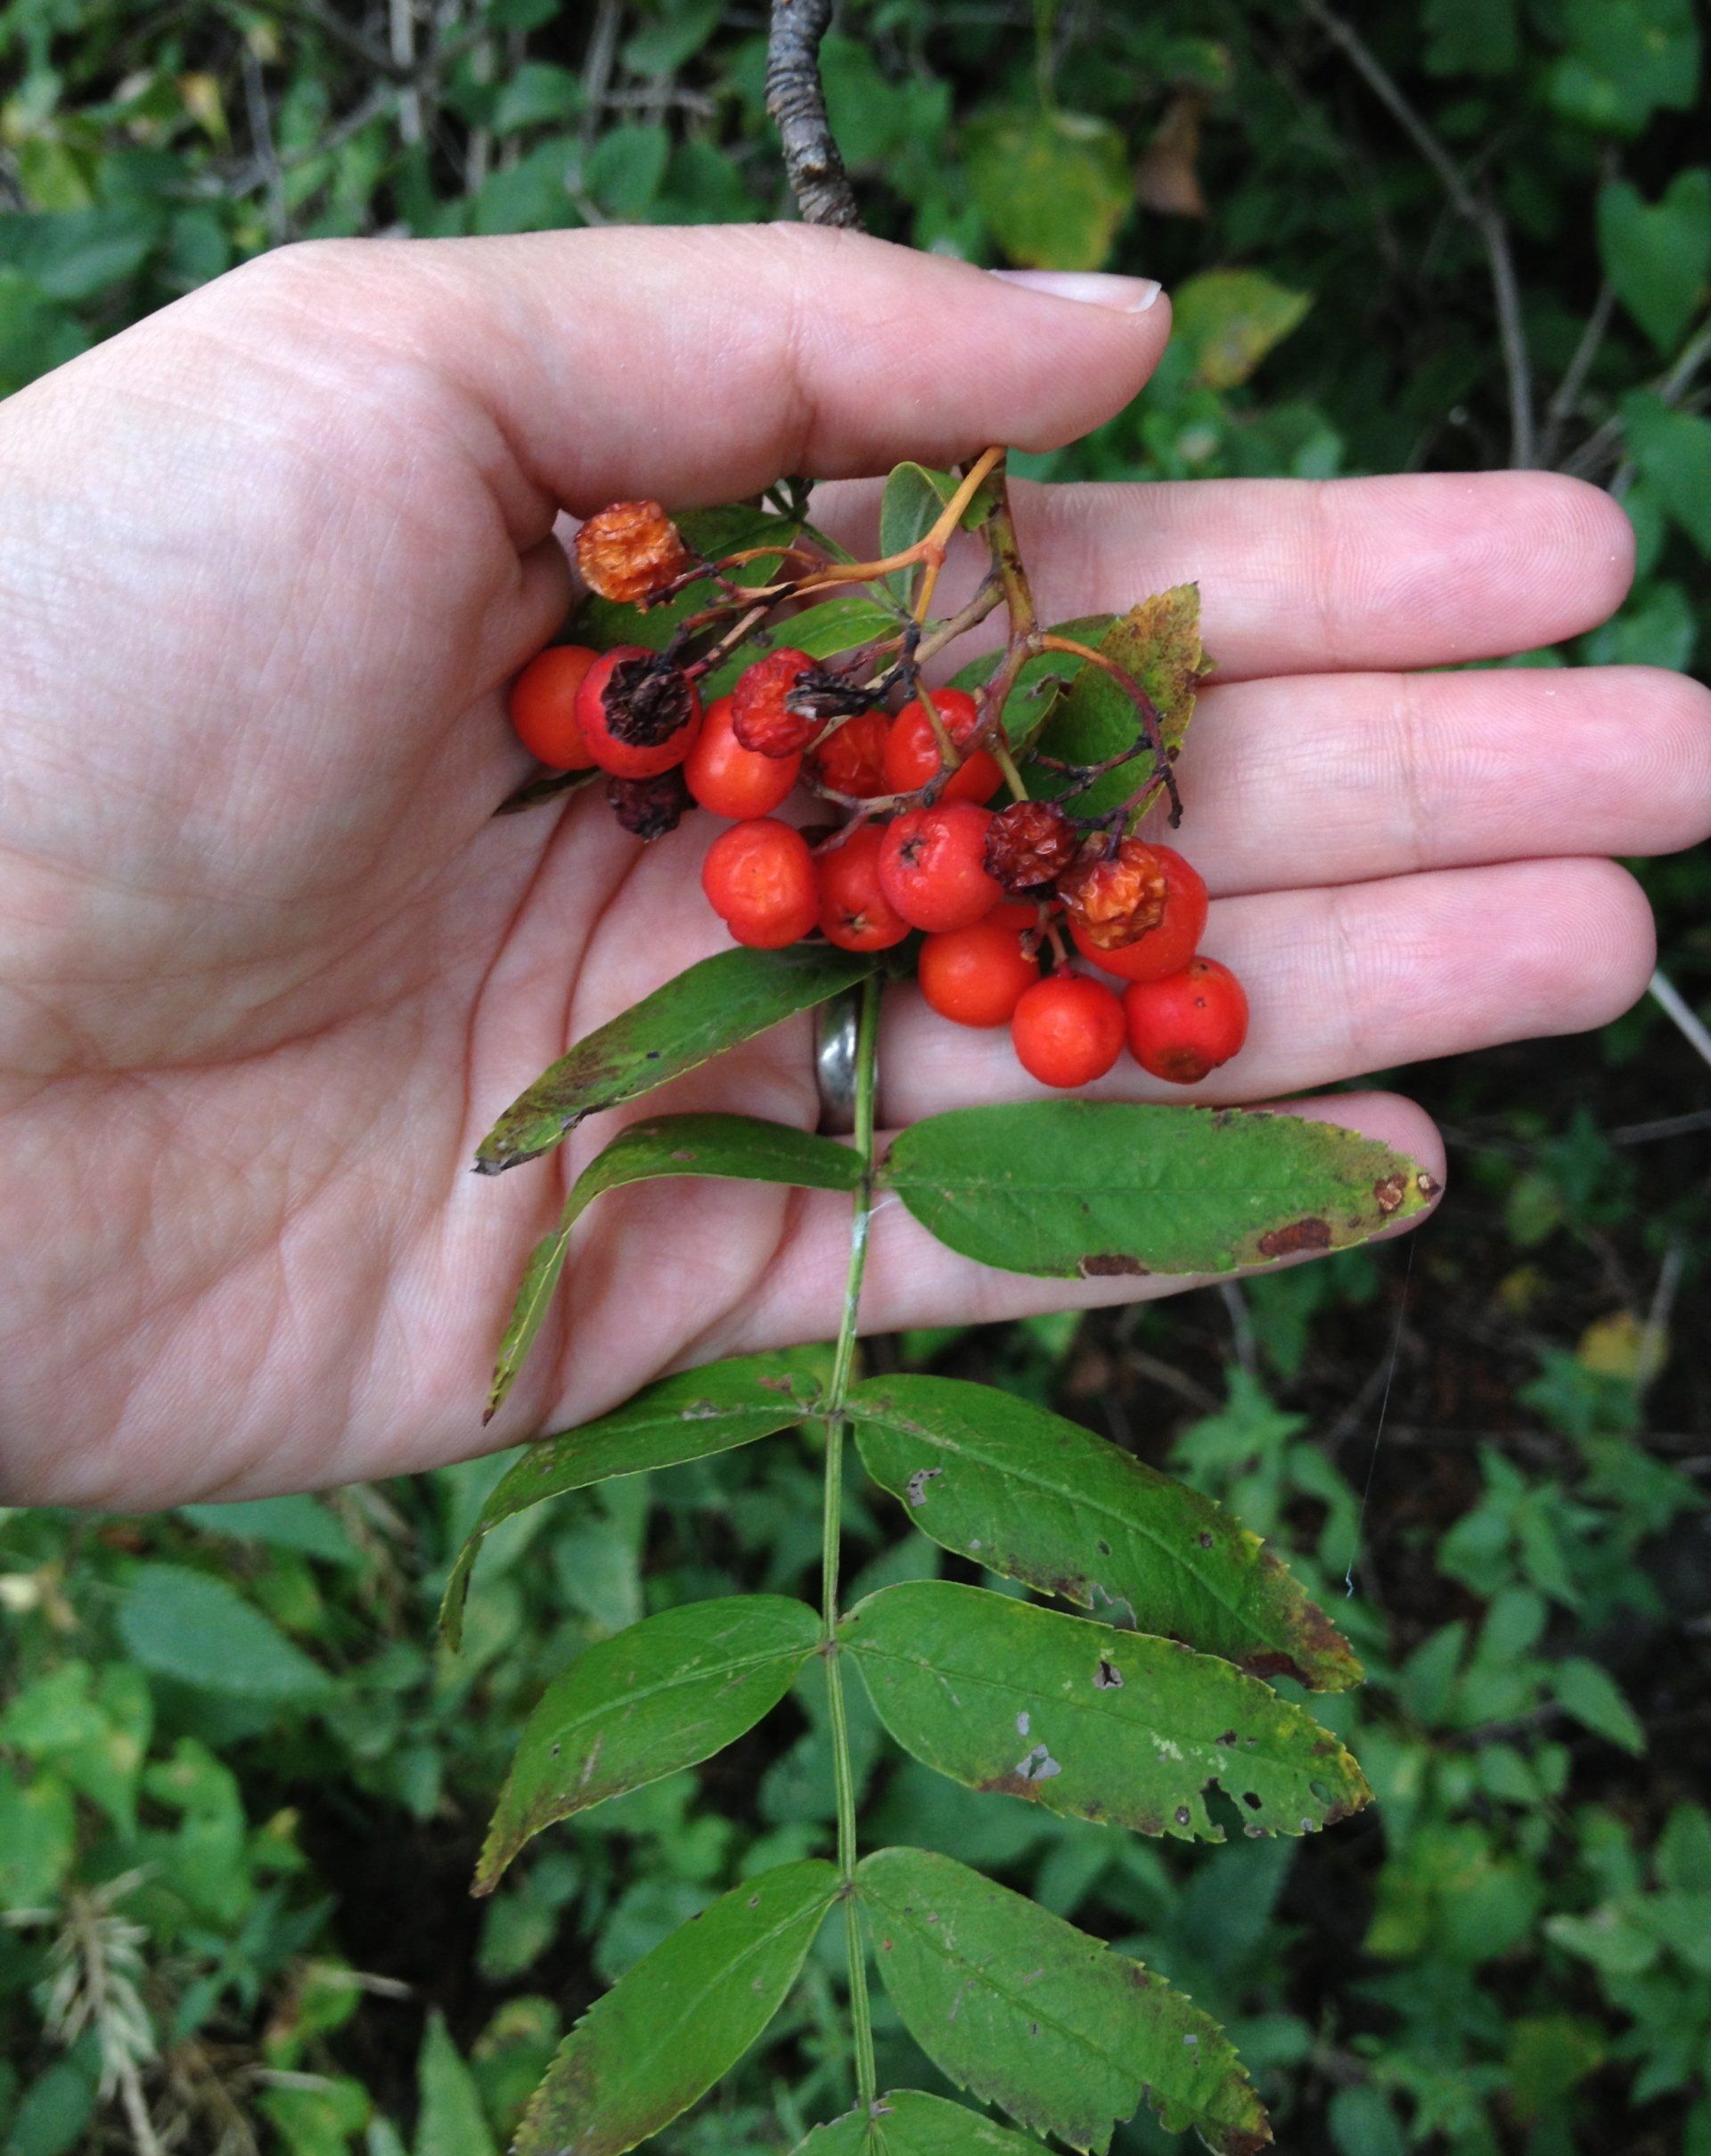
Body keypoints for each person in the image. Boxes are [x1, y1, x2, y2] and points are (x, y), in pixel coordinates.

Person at [1, 225, 1706, 1511]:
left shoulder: (878, 794)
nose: (1095, 890)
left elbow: (872, 831)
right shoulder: (845, 783)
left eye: (1095, 892)